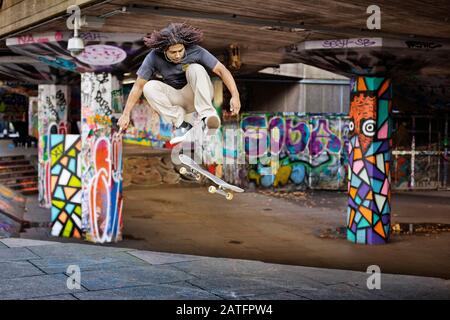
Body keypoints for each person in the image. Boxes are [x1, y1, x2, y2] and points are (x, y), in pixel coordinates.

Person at [118, 22, 241, 145]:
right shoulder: (153, 57)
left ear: (184, 46)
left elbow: (221, 70)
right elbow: (138, 86)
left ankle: (207, 117)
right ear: (164, 50)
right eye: (173, 52)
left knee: (195, 68)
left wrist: (235, 96)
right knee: (148, 87)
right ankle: (183, 126)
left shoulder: (195, 50)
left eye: (180, 50)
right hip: (178, 99)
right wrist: (125, 114)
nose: (177, 55)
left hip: (197, 94)